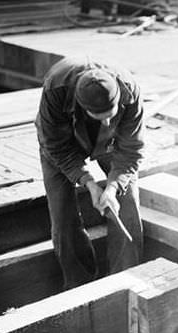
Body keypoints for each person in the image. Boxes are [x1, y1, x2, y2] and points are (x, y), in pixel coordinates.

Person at [36, 56, 144, 289]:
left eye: (110, 113)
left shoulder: (129, 89)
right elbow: (55, 146)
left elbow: (132, 150)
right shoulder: (56, 88)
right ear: (83, 106)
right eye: (99, 116)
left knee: (127, 200)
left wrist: (113, 186)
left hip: (110, 143)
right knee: (62, 213)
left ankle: (125, 279)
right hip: (62, 144)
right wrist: (90, 183)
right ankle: (79, 284)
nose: (105, 120)